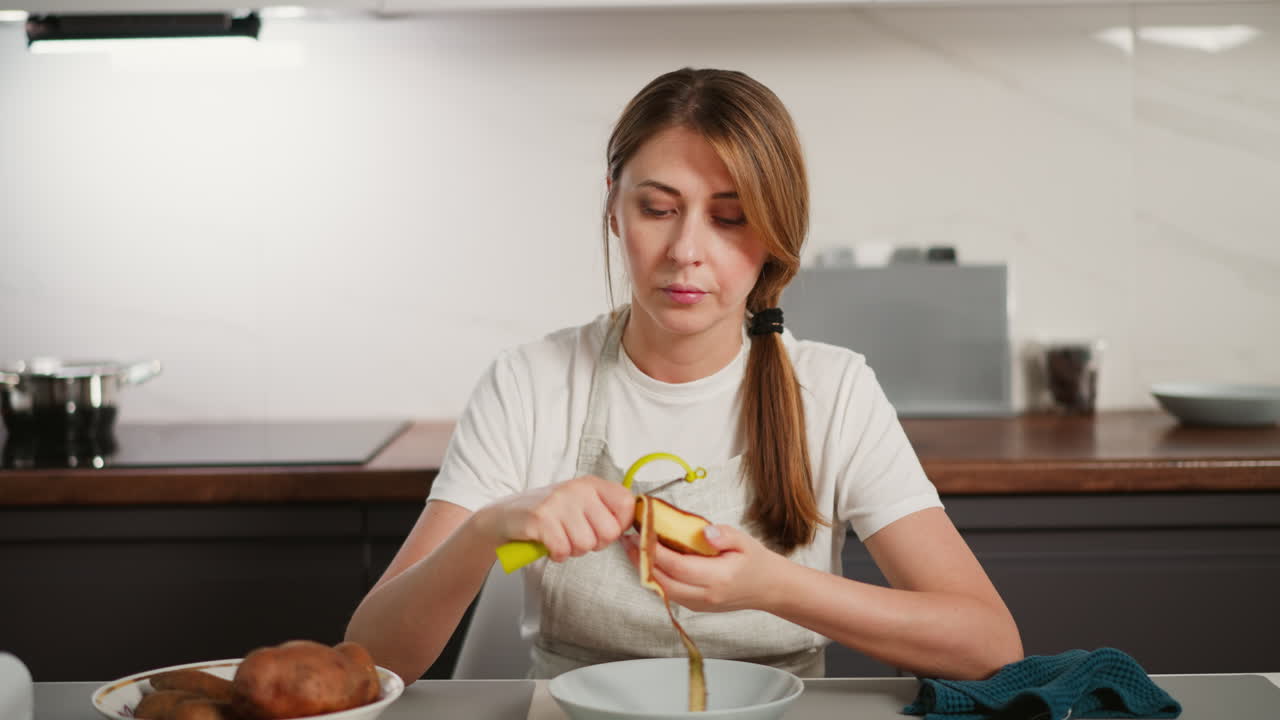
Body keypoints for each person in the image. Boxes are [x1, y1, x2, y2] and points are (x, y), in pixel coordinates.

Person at [345, 67, 1023, 682]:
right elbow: (374, 657)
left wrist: (775, 587)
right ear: (613, 206)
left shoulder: (834, 391)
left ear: (776, 233)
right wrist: (488, 532)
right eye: (658, 209)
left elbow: (989, 645)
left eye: (730, 218)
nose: (687, 251)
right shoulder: (531, 384)